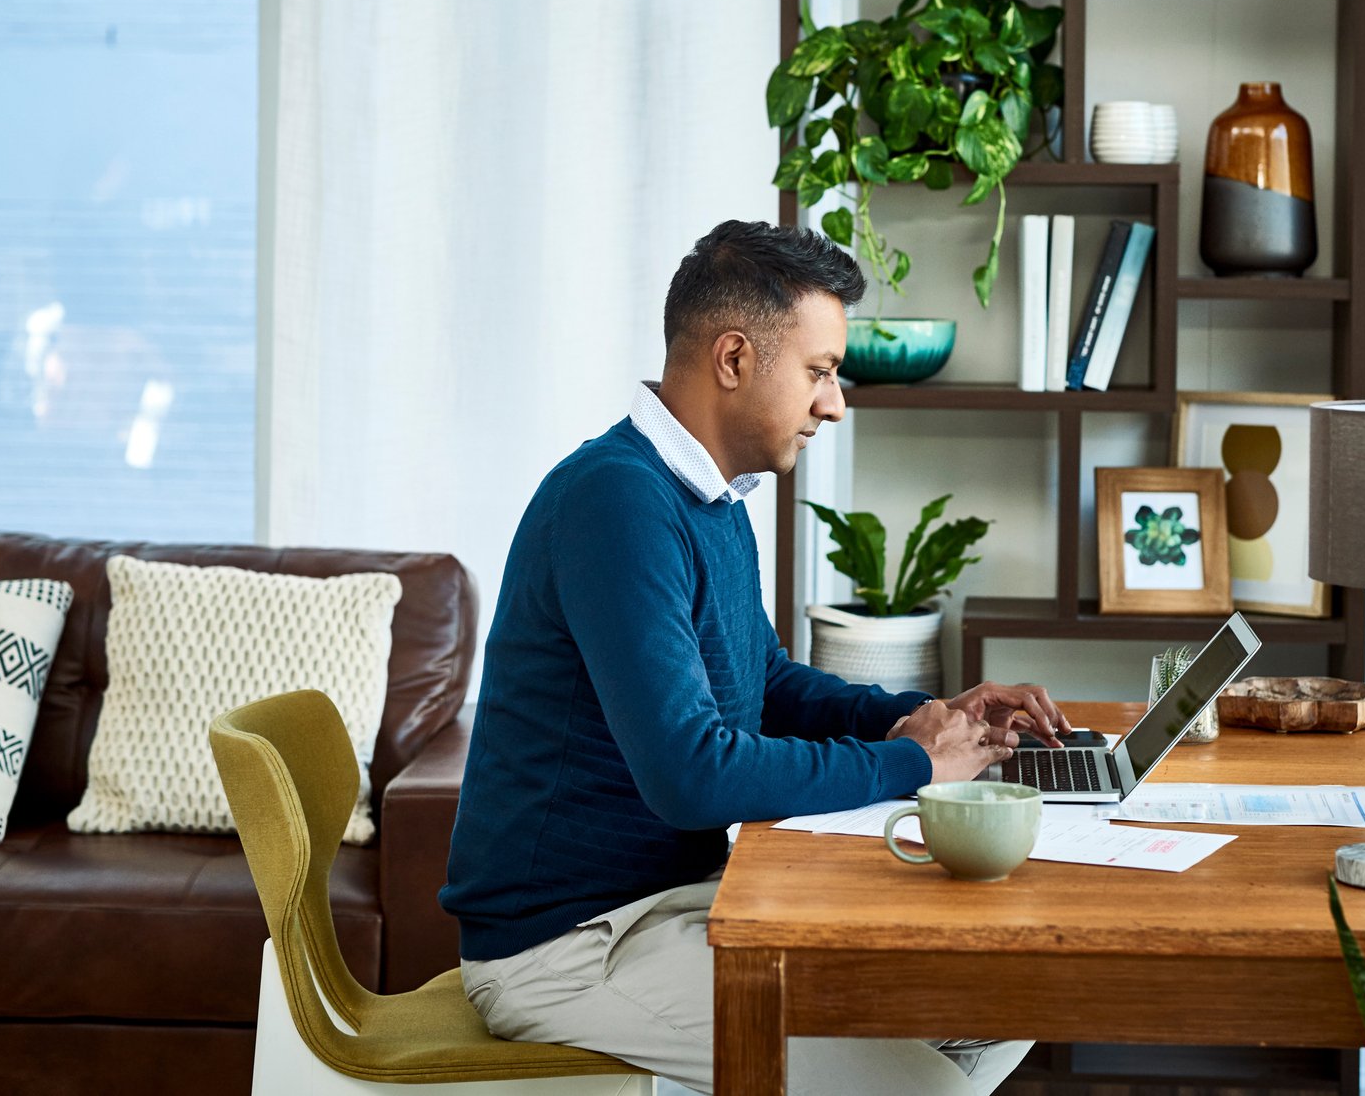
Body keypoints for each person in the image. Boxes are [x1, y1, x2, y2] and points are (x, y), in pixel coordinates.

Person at [443, 219, 1068, 1095]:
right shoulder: (616, 502)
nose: (836, 403)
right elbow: (691, 774)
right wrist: (910, 762)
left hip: (674, 904)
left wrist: (925, 716)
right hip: (570, 947)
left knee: (997, 992)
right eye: (819, 371)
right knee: (930, 1087)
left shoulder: (712, 498)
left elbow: (765, 683)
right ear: (734, 358)